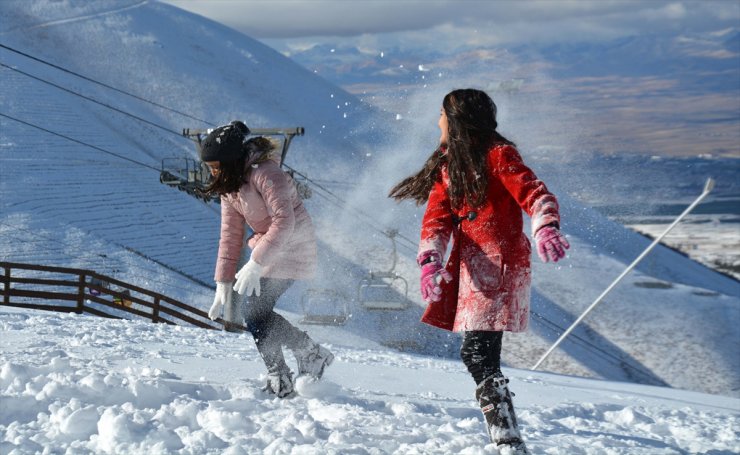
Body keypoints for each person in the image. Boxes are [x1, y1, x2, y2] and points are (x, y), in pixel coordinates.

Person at [389, 89, 569, 453]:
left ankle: (506, 435)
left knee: (476, 353)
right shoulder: (449, 165)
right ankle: (505, 432)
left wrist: (545, 224)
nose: (437, 121)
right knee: (481, 353)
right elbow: (436, 219)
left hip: (498, 268)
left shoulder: (498, 155)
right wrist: (430, 261)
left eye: (441, 114)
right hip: (472, 269)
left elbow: (535, 193)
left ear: (456, 119)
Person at [201, 120, 334, 398]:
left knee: (253, 311)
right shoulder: (231, 185)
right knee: (256, 312)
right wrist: (223, 281)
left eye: (215, 166)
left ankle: (292, 366)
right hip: (269, 250)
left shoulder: (267, 173)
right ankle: (302, 358)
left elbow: (285, 222)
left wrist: (256, 263)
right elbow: (230, 235)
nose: (212, 172)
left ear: (231, 160)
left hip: (295, 245)